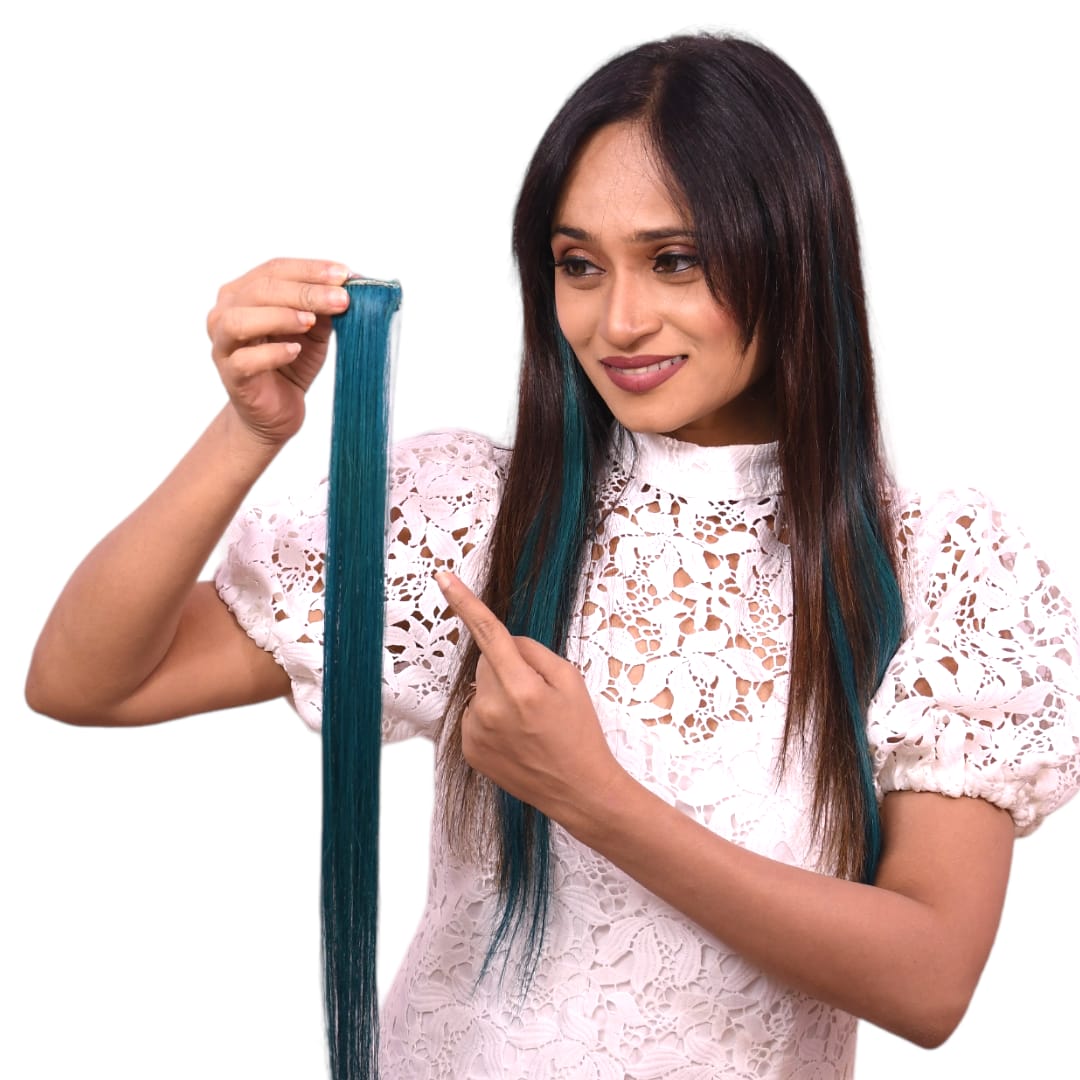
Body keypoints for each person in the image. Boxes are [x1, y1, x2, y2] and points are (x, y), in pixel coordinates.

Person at [25, 32, 1080, 1079]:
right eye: (579, 265)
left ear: (789, 254)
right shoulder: (478, 515)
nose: (618, 319)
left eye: (675, 260)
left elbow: (929, 978)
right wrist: (249, 433)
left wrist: (593, 797)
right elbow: (89, 680)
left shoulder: (933, 565)